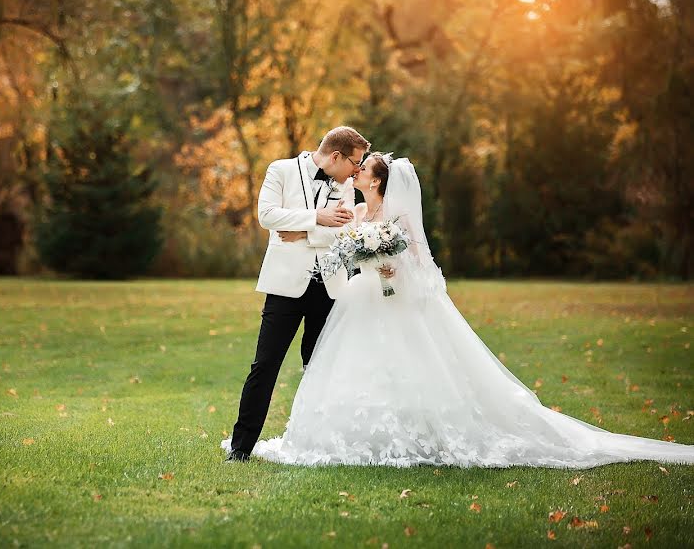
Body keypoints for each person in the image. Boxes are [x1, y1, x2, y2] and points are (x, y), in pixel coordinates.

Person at [222, 153, 694, 467]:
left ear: (377, 179)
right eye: (357, 167)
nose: (355, 174)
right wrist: (315, 234)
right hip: (351, 299)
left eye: (363, 170)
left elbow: (411, 259)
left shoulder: (393, 217)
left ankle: (413, 435)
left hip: (382, 299)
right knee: (337, 366)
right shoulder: (356, 210)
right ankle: (331, 437)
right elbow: (336, 239)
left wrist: (386, 264)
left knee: (390, 365)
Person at [224, 126, 370, 463]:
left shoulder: (345, 185)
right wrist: (317, 219)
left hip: (330, 287)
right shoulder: (281, 170)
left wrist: (299, 231)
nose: (356, 170)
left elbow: (345, 233)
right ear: (336, 156)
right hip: (285, 287)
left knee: (319, 368)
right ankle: (240, 447)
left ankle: (319, 445)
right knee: (265, 365)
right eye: (354, 162)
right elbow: (267, 216)